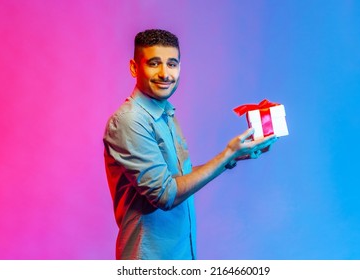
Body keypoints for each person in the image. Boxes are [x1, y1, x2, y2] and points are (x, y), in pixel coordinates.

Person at [103, 29, 278, 260]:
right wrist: (227, 153)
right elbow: (165, 195)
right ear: (135, 68)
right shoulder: (129, 121)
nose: (165, 74)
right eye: (154, 63)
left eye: (172, 64)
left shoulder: (165, 113)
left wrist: (232, 158)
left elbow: (177, 178)